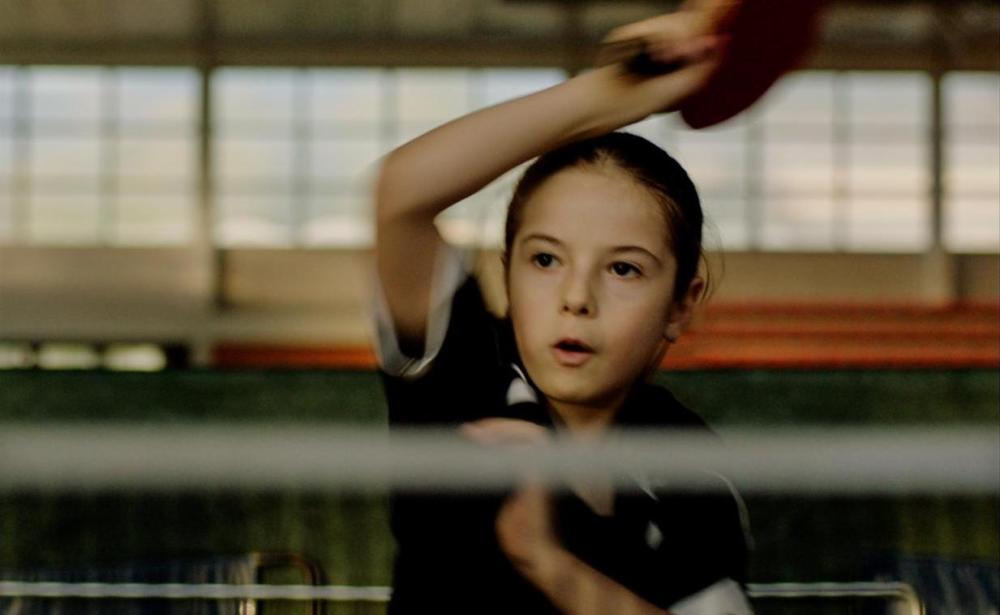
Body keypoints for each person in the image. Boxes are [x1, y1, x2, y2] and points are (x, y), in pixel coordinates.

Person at [372, 7, 753, 615]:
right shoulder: (466, 377)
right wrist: (614, 93)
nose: (576, 298)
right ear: (507, 272)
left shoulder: (688, 460)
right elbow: (400, 196)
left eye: (623, 269)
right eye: (545, 260)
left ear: (681, 304)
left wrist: (549, 563)